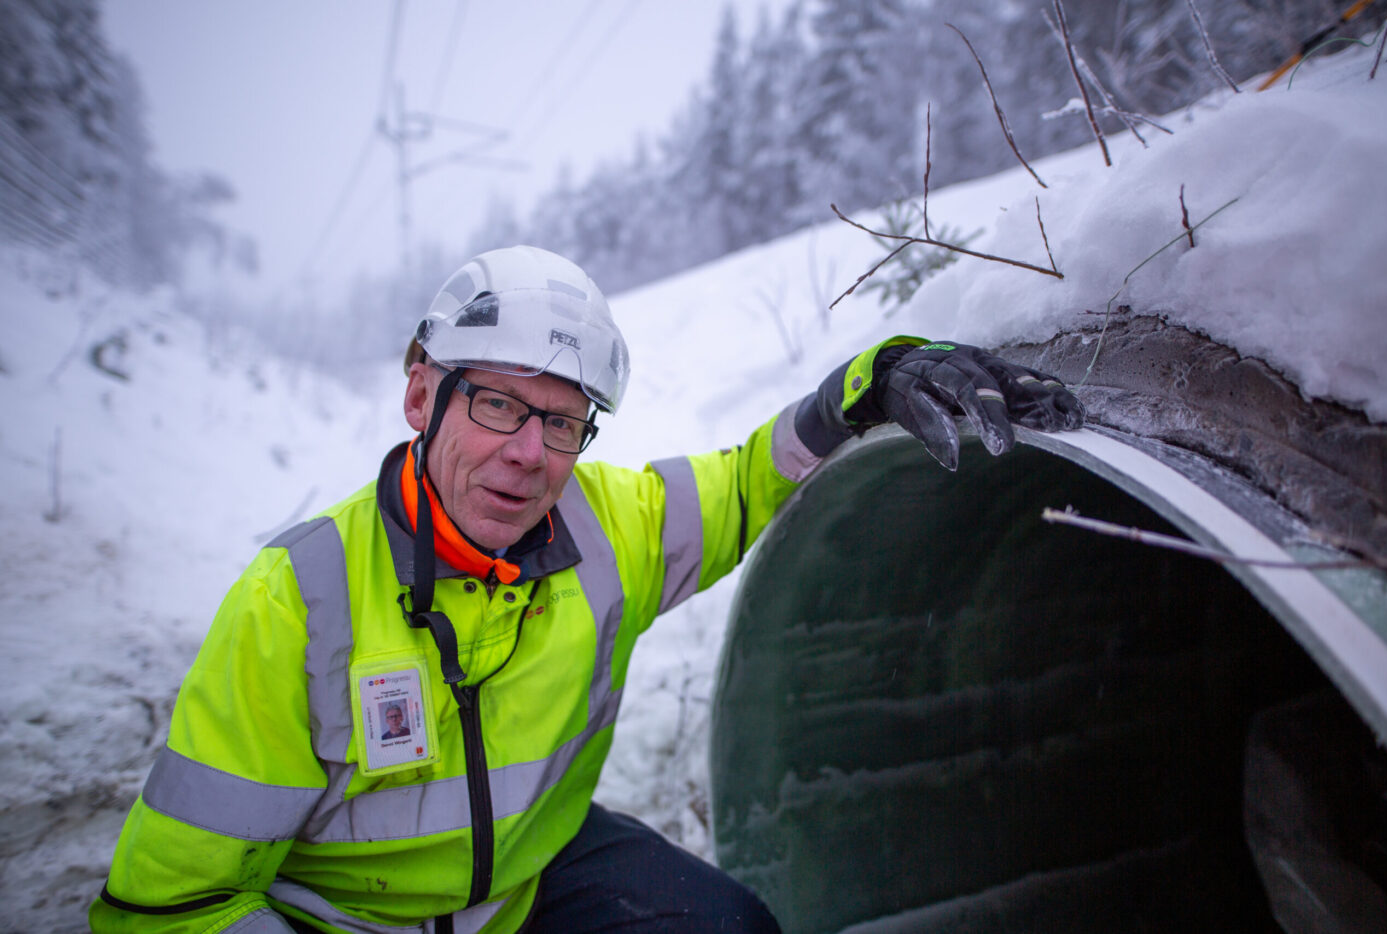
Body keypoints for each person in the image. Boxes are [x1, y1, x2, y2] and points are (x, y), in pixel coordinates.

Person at [92, 245, 1083, 933]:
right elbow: (171, 908)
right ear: (417, 393)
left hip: (523, 892)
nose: (529, 455)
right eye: (496, 404)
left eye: (563, 422)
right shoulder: (295, 602)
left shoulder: (605, 523)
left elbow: (749, 478)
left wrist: (865, 383)